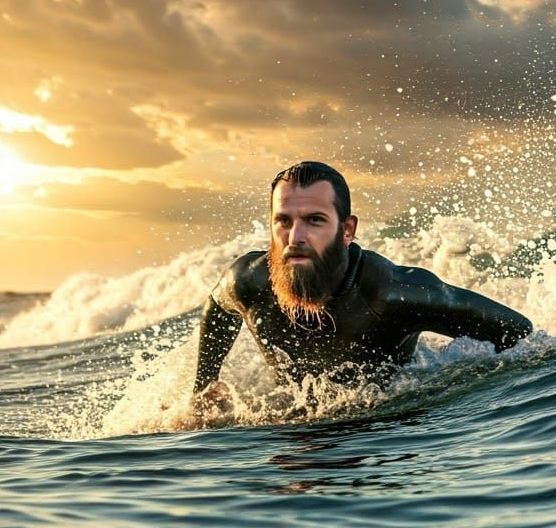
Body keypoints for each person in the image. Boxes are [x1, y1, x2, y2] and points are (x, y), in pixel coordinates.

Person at [191, 161, 533, 412]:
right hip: (293, 455)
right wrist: (203, 387)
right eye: (283, 221)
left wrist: (471, 394)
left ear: (347, 230)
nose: (295, 237)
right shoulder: (249, 280)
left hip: (385, 434)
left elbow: (517, 332)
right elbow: (218, 308)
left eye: (314, 220)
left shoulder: (393, 294)